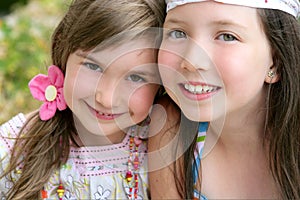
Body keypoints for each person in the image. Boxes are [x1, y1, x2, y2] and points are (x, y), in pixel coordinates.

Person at [0, 0, 166, 199]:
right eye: (93, 66)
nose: (106, 98)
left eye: (135, 77)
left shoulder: (163, 150)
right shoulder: (12, 147)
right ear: (63, 46)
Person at [149, 0, 300, 199]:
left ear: (276, 61)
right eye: (178, 33)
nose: (192, 61)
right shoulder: (171, 127)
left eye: (227, 36)